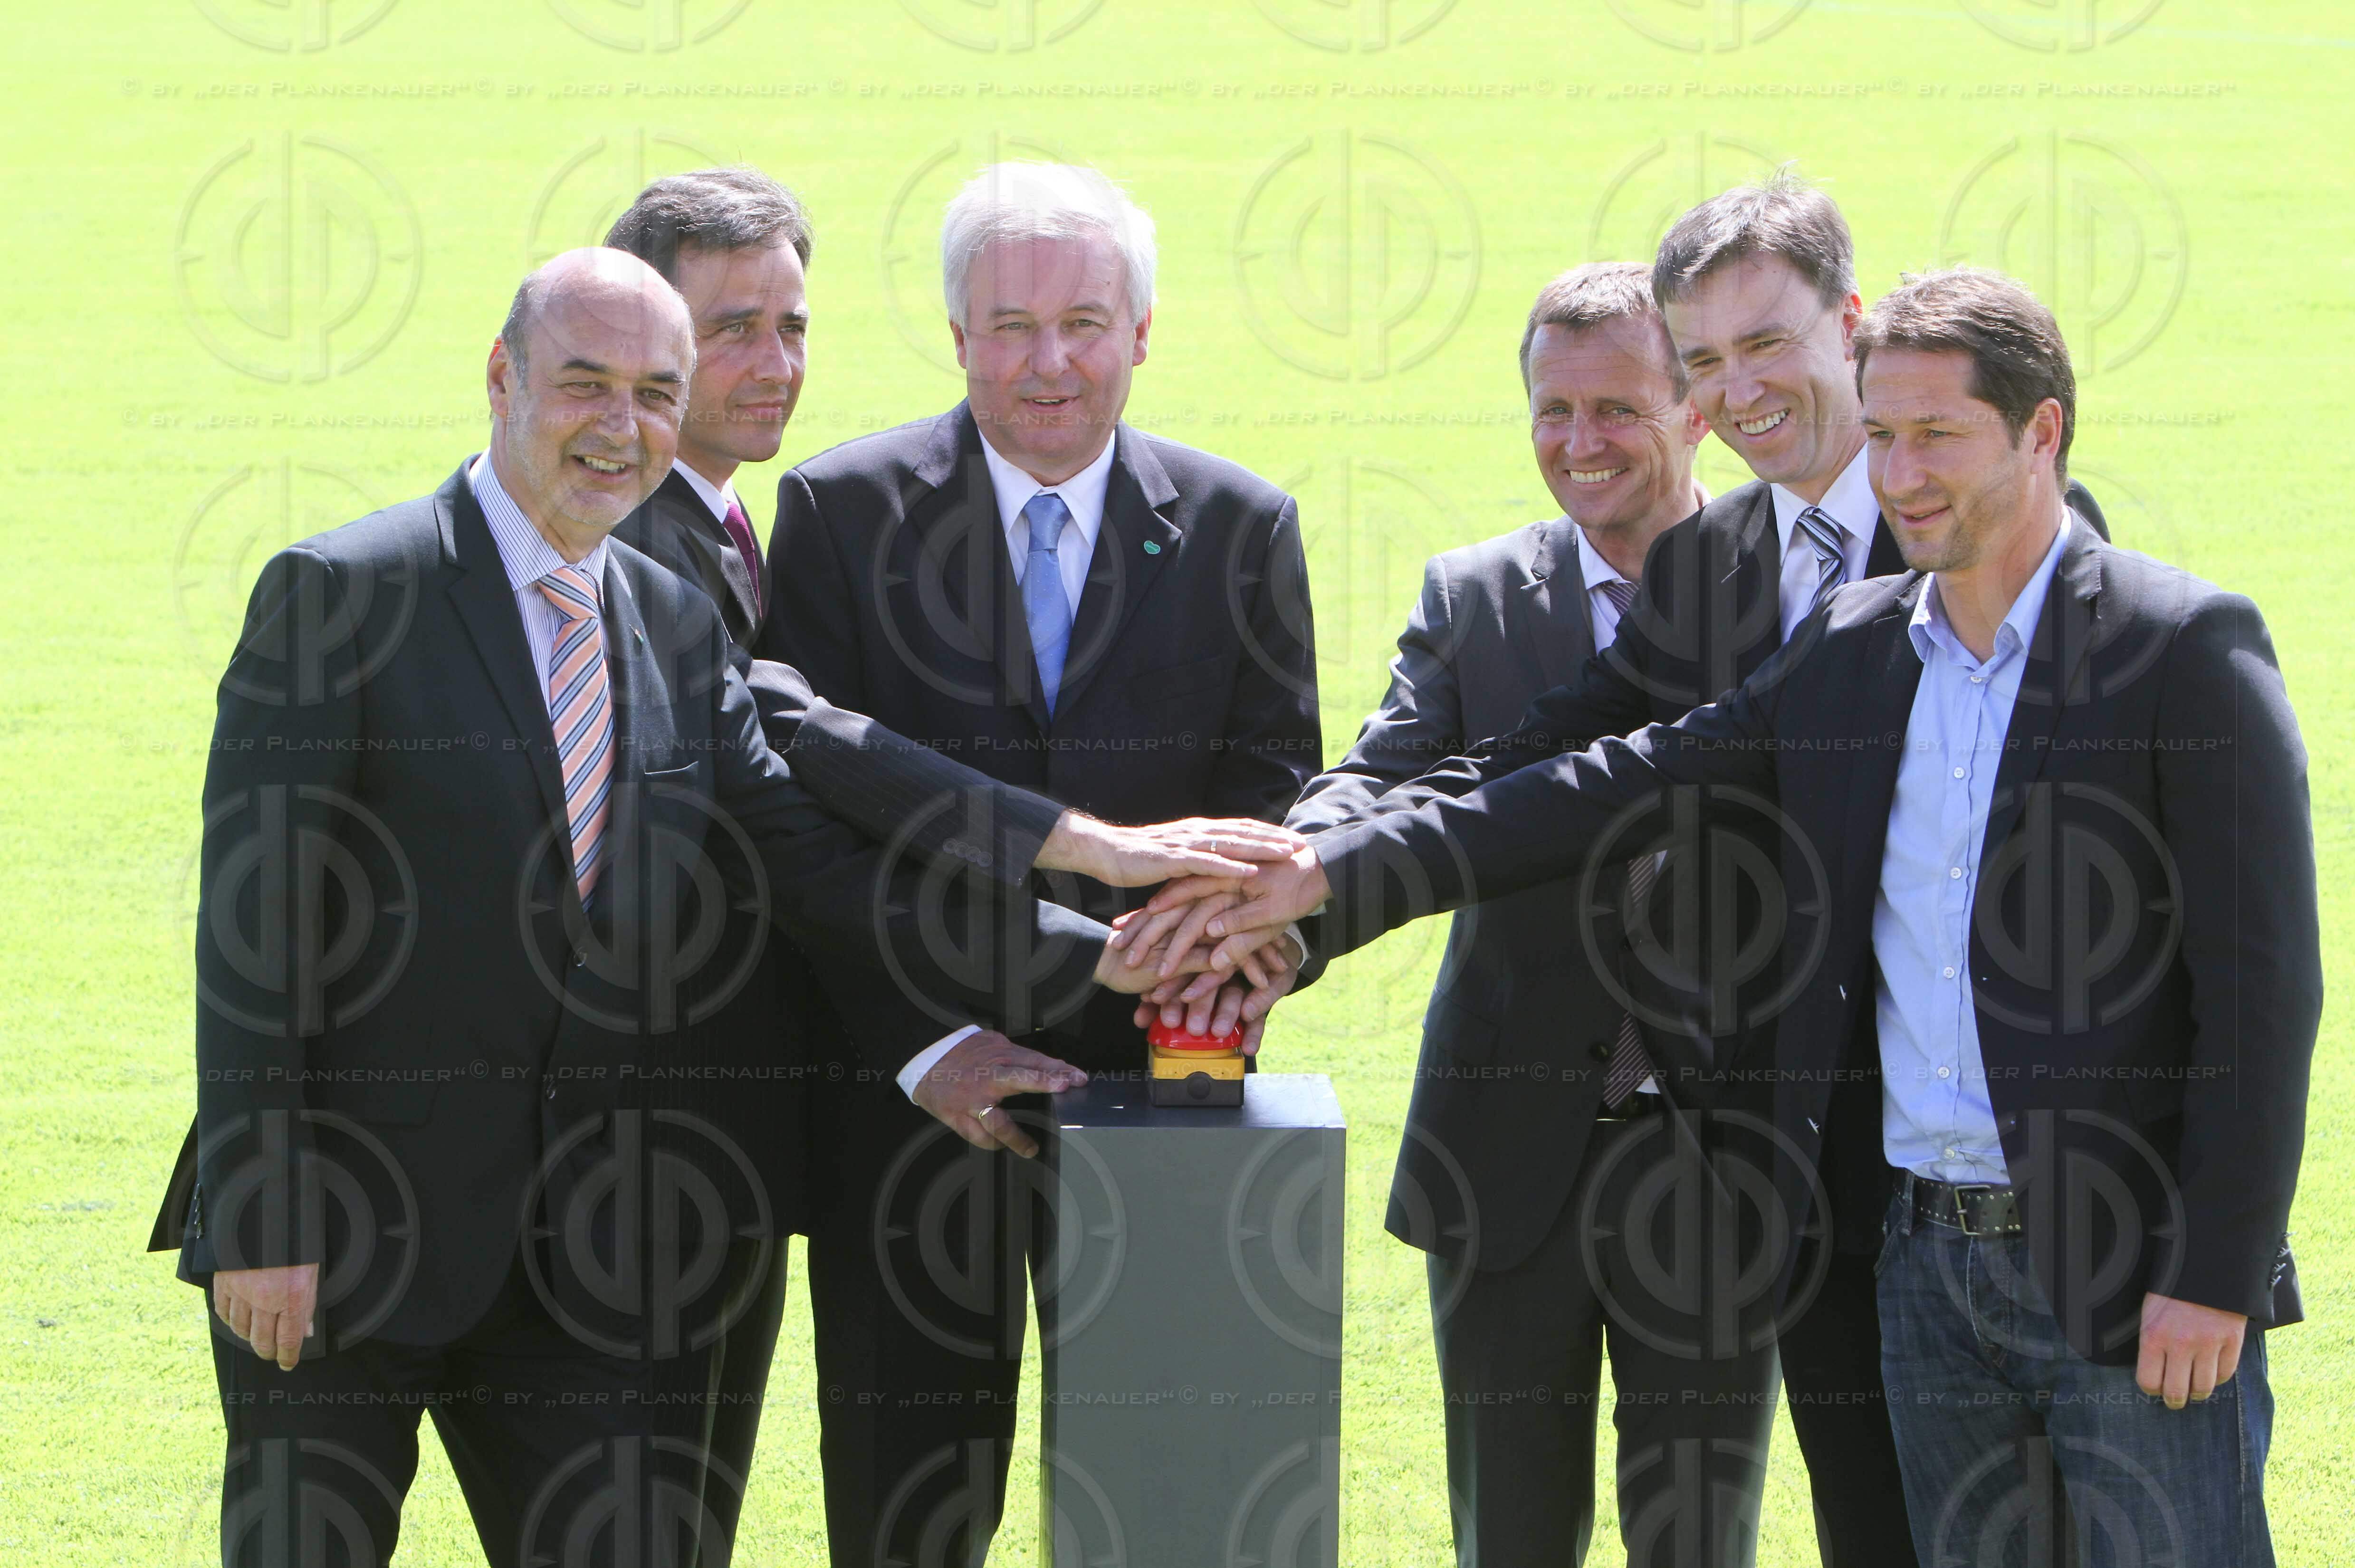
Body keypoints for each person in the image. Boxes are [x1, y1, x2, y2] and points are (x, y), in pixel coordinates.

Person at [1139, 267, 2317, 1568]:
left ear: (2040, 432)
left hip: (2119, 1271)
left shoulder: (2179, 644)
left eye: (1938, 436)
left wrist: (2214, 1266)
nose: (1902, 473)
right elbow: (1602, 777)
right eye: (1879, 437)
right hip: (1919, 1270)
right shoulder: (1851, 645)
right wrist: (1322, 877)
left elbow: (2262, 993)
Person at [152, 247, 1243, 1568]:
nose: (622, 429)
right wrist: (262, 1216)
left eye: (657, 395)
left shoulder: (672, 621)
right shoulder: (343, 594)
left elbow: (807, 854)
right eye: (585, 385)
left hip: (579, 1266)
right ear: (502, 378)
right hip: (336, 1244)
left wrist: (1106, 952)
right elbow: (251, 933)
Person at [596, 169, 1305, 1552]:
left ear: (1144, 332)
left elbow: (1270, 790)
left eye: (1086, 321)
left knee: (1182, 1500)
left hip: (1170, 1078)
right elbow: (807, 810)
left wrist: (1246, 953)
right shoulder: (839, 510)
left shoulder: (1242, 525)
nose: (1050, 360)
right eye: (1010, 324)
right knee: (909, 1504)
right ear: (956, 333)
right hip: (910, 1107)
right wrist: (923, 1041)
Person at [1284, 262, 1776, 1565]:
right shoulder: (1475, 593)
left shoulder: (1795, 594)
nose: (1578, 443)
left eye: (1614, 408)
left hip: (1721, 1160)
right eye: (1551, 412)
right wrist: (1283, 863)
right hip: (1501, 1152)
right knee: (1504, 1532)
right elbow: (1384, 771)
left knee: (1697, 1539)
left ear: (1696, 411)